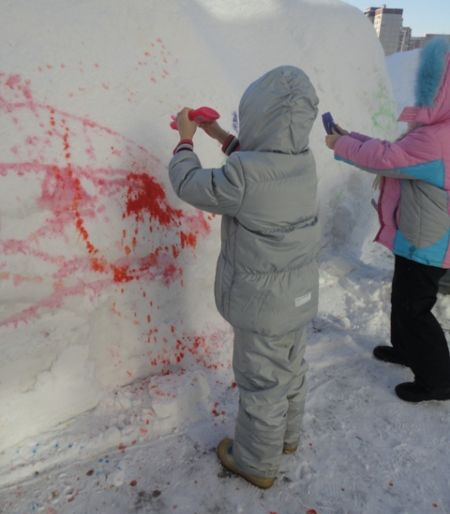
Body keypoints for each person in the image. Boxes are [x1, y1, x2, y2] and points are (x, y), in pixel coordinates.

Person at [168, 66, 320, 488]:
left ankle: (256, 462)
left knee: (261, 385)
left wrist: (185, 140)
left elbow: (191, 184)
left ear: (258, 116)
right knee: (291, 370)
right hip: (298, 299)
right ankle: (284, 440)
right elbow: (256, 165)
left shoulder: (244, 177)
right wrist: (219, 135)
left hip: (263, 308)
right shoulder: (302, 162)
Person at [325, 37, 450, 403]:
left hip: (428, 242)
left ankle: (439, 379)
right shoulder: (436, 132)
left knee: (416, 308)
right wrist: (352, 137)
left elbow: (387, 159)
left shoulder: (437, 139)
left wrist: (341, 146)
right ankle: (407, 350)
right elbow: (393, 151)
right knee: (404, 300)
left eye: (429, 87)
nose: (421, 95)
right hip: (419, 233)